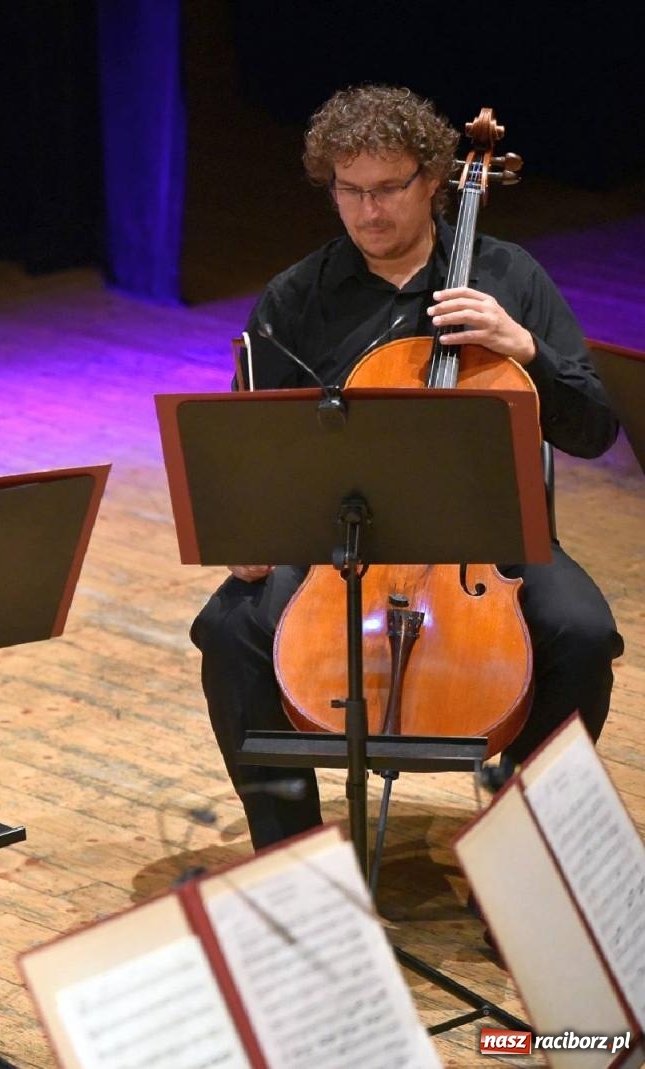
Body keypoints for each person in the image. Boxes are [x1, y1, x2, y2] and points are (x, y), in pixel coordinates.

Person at [192, 85, 623, 851]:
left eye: (388, 188)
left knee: (582, 633)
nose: (368, 212)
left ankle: (524, 855)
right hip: (339, 542)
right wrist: (249, 530)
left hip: (487, 541)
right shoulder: (298, 297)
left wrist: (524, 348)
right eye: (348, 191)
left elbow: (592, 426)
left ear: (433, 179)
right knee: (228, 632)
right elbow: (250, 439)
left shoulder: (508, 277)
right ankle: (293, 865)